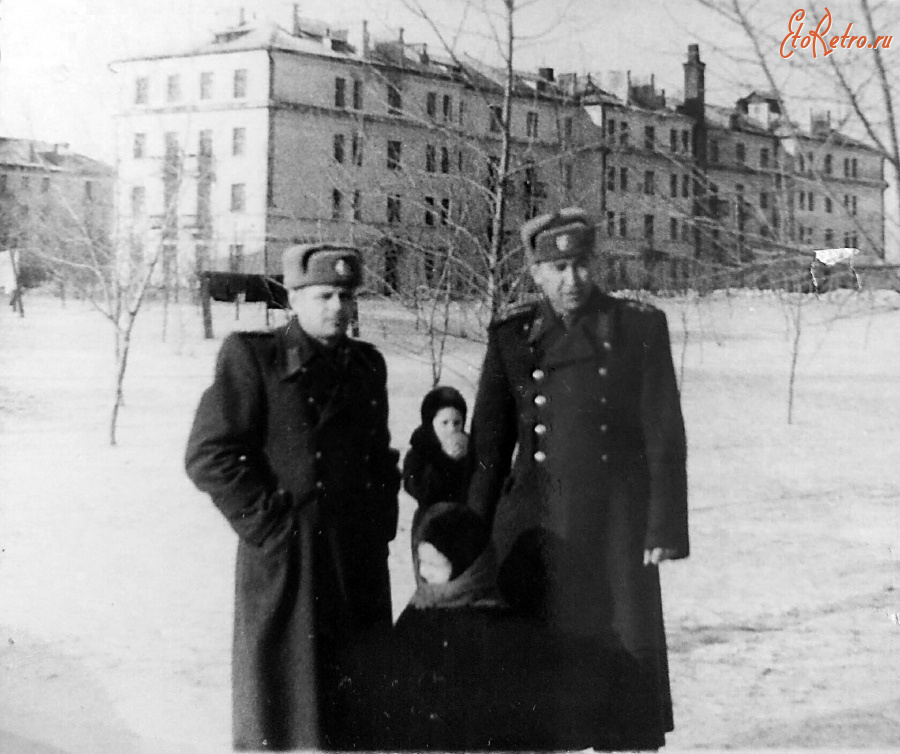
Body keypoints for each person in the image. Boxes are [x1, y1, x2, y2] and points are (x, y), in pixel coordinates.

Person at [467, 207, 689, 750]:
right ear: (537, 273)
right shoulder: (512, 336)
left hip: (616, 522)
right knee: (534, 678)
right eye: (558, 268)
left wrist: (663, 527)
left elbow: (664, 434)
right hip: (534, 524)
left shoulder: (637, 326)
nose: (573, 280)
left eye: (582, 264)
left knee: (622, 673)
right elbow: (488, 450)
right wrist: (468, 537)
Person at [184, 243, 401, 751]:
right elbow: (209, 454)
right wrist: (270, 526)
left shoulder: (367, 366)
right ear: (294, 296)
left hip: (355, 565)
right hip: (289, 566)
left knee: (354, 715)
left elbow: (379, 456)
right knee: (285, 716)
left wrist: (380, 526)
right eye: (325, 295)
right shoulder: (254, 358)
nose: (338, 308)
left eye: (347, 296)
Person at [336, 503, 642, 751]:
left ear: (467, 565)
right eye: (421, 564)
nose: (425, 575)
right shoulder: (420, 610)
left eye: (435, 565)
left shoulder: (494, 623)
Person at [401, 386, 472, 524]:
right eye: (444, 423)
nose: (451, 429)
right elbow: (419, 489)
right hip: (429, 524)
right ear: (431, 424)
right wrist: (446, 461)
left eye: (457, 423)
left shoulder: (470, 449)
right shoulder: (420, 450)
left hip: (464, 523)